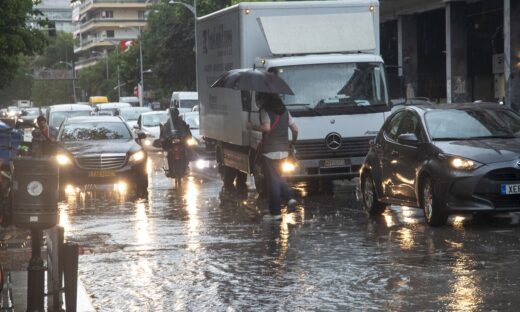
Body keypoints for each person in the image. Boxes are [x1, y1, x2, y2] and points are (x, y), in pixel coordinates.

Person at [247, 92, 299, 220]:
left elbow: (267, 128)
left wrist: (252, 126)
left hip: (269, 151)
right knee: (277, 177)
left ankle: (275, 212)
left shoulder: (265, 111)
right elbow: (295, 129)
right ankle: (289, 198)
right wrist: (293, 142)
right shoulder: (285, 111)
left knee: (273, 181)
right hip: (284, 150)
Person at [160, 108, 193, 177]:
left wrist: (187, 137)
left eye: (175, 115)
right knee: (169, 153)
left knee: (188, 151)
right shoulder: (167, 124)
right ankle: (171, 169)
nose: (174, 116)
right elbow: (164, 133)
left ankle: (186, 167)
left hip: (181, 142)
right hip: (171, 142)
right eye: (172, 115)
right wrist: (164, 138)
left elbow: (187, 131)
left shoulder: (182, 123)